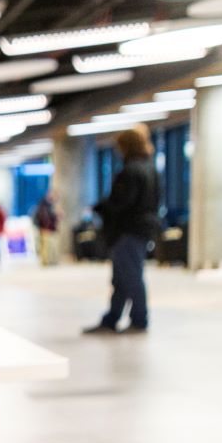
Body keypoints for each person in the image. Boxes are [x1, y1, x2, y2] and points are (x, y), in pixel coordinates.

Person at [86, 125, 160, 335]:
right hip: (141, 229)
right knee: (122, 278)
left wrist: (100, 207)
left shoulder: (130, 171)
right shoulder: (150, 168)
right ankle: (112, 319)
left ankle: (139, 320)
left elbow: (120, 203)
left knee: (131, 276)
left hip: (128, 231)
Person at [32, 190, 61, 267]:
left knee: (51, 246)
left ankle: (51, 261)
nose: (56, 199)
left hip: (50, 228)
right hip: (46, 229)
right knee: (46, 247)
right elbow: (44, 217)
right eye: (55, 197)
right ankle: (46, 262)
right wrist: (46, 227)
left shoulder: (50, 205)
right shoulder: (43, 205)